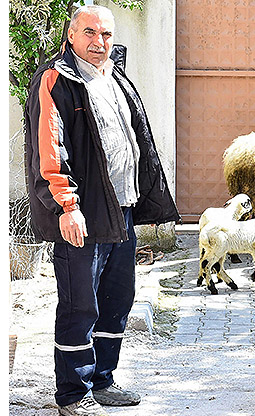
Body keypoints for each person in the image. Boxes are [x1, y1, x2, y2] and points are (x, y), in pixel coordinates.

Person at [24, 5, 180, 416]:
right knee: (80, 306)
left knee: (116, 299)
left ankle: (103, 381)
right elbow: (49, 150)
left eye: (106, 34)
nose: (99, 42)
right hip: (82, 214)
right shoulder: (56, 79)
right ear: (71, 35)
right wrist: (67, 206)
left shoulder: (114, 74)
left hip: (120, 210)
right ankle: (73, 395)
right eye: (90, 32)